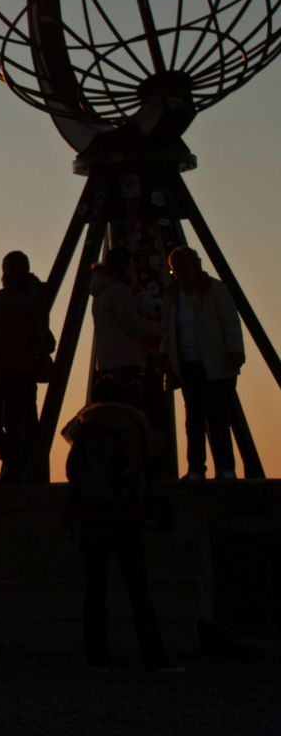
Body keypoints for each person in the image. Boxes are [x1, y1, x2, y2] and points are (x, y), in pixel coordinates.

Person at [64, 375, 183, 673]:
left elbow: (67, 441)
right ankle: (154, 658)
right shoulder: (132, 423)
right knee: (138, 592)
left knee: (95, 590)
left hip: (91, 519)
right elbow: (157, 447)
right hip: (125, 519)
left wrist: (86, 412)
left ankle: (97, 658)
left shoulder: (84, 424)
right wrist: (138, 417)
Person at [159, 246, 245, 481]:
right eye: (175, 270)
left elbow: (230, 323)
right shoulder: (172, 295)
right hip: (188, 366)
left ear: (195, 268)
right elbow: (166, 328)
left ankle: (225, 468)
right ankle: (196, 469)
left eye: (183, 270)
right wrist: (164, 354)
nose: (179, 275)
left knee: (218, 419)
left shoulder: (215, 290)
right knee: (193, 420)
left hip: (218, 365)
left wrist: (235, 352)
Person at [0, 251, 54, 482]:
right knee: (21, 421)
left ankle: (10, 463)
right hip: (26, 369)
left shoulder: (1, 299)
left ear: (7, 271)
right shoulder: (39, 299)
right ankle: (23, 466)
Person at [89, 248, 161, 407]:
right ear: (123, 266)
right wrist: (161, 326)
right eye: (131, 266)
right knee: (129, 412)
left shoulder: (100, 293)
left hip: (107, 362)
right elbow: (134, 327)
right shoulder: (119, 291)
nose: (133, 270)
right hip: (124, 363)